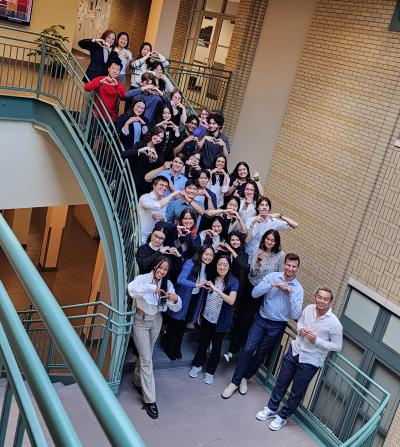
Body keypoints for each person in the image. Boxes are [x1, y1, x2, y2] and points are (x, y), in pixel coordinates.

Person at [255, 287, 343, 431]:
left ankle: (282, 416)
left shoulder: (334, 323)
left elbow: (337, 346)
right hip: (295, 351)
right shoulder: (308, 308)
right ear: (315, 297)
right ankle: (271, 408)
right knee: (281, 382)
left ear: (330, 302)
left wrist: (317, 341)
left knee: (297, 391)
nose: (322, 301)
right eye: (319, 297)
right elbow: (300, 322)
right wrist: (300, 330)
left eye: (326, 299)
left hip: (311, 360)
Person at [221, 253, 304, 399]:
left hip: (278, 326)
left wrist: (291, 294)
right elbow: (254, 293)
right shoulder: (272, 277)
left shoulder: (298, 289)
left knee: (260, 355)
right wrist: (271, 285)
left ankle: (245, 378)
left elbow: (296, 315)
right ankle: (234, 382)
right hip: (261, 319)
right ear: (284, 264)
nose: (290, 268)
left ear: (297, 268)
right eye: (288, 265)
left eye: (294, 266)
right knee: (248, 349)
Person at [128, 258, 182, 419]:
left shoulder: (168, 284)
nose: (162, 271)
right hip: (141, 321)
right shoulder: (143, 278)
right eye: (160, 267)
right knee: (146, 359)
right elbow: (132, 290)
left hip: (157, 320)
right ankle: (150, 400)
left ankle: (137, 381)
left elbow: (177, 307)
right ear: (155, 266)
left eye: (165, 269)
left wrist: (175, 299)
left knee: (147, 355)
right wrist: (152, 288)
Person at [224, 229, 285, 362]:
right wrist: (257, 262)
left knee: (253, 322)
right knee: (242, 319)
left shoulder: (280, 255)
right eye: (267, 239)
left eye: (272, 240)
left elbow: (280, 275)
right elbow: (251, 273)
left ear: (277, 242)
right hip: (250, 288)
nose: (269, 242)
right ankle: (232, 350)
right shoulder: (258, 251)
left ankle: (243, 351)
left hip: (265, 292)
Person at [189, 253, 239, 384]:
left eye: (225, 265)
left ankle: (210, 371)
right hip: (207, 317)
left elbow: (231, 300)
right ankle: (197, 365)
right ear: (216, 265)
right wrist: (200, 314)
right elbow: (204, 297)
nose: (222, 267)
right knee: (203, 343)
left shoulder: (233, 281)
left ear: (229, 267)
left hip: (221, 321)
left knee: (216, 347)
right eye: (220, 264)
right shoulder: (211, 277)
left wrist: (216, 289)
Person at [163, 246, 215, 360]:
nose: (209, 257)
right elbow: (180, 280)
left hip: (195, 298)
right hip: (183, 296)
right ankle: (169, 346)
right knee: (175, 322)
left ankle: (177, 346)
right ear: (200, 253)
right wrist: (196, 285)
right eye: (206, 254)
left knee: (184, 323)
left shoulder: (208, 267)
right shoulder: (190, 263)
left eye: (211, 255)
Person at [245, 196, 298, 263]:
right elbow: (246, 240)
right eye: (262, 205)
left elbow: (295, 225)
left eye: (266, 205)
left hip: (263, 257)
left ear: (269, 208)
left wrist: (280, 215)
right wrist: (253, 223)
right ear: (258, 208)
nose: (264, 207)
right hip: (249, 254)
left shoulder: (273, 221)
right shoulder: (250, 220)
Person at [122, 126, 166, 197]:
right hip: (133, 182)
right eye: (157, 135)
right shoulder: (140, 144)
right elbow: (124, 154)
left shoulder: (159, 151)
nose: (158, 139)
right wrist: (139, 151)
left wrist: (156, 158)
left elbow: (162, 165)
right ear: (152, 133)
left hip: (146, 186)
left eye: (161, 138)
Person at [137, 176, 181, 244]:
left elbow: (164, 220)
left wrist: (163, 219)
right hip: (141, 236)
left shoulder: (164, 201)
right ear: (154, 185)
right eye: (161, 185)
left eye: (166, 186)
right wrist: (172, 195)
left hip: (156, 238)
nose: (164, 188)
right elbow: (156, 206)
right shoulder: (145, 197)